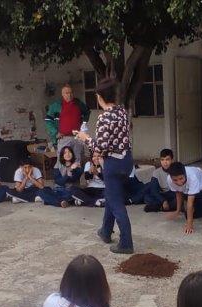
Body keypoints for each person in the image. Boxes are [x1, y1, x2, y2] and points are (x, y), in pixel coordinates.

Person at [75, 77, 136, 254]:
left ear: (99, 97)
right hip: (126, 161)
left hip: (113, 164)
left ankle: (126, 243)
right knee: (111, 194)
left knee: (116, 203)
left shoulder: (104, 117)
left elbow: (100, 147)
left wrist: (85, 138)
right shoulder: (122, 112)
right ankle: (106, 231)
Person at [165, 161, 202, 234]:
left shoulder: (192, 177)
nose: (179, 182)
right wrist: (177, 211)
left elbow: (190, 204)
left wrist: (189, 224)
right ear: (171, 177)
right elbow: (178, 193)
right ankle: (199, 205)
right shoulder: (169, 179)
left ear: (185, 174)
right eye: (175, 180)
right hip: (189, 190)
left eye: (181, 178)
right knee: (190, 215)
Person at [46, 83, 91, 164]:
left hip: (77, 137)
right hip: (64, 138)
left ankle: (76, 172)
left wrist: (83, 124)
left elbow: (87, 112)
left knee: (77, 161)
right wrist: (55, 132)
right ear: (62, 94)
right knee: (63, 161)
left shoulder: (79, 103)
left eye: (71, 93)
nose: (69, 95)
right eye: (66, 93)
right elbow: (48, 120)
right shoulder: (56, 105)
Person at [142, 148, 177, 213]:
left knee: (179, 199)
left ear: (172, 160)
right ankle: (166, 206)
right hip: (163, 194)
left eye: (167, 159)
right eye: (162, 160)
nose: (165, 162)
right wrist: (163, 200)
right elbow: (154, 190)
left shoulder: (176, 170)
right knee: (147, 198)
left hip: (174, 193)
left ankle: (159, 207)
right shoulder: (156, 172)